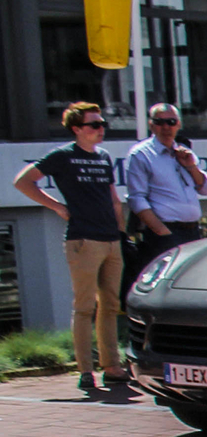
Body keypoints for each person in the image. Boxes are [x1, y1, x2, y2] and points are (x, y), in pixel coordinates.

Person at [12, 103, 129, 394]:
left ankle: (112, 366)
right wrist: (56, 207)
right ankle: (86, 369)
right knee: (84, 306)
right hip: (82, 239)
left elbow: (113, 198)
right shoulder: (63, 156)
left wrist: (121, 232)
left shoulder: (103, 157)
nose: (100, 129)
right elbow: (23, 182)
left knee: (111, 306)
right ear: (77, 129)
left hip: (110, 239)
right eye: (94, 124)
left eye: (102, 124)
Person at [121, 102, 207, 291]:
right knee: (168, 286)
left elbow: (205, 189)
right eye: (160, 122)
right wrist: (162, 232)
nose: (166, 127)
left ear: (178, 124)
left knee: (193, 283)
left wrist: (191, 166)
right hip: (165, 233)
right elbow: (136, 199)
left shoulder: (184, 152)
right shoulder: (141, 154)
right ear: (151, 125)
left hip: (193, 231)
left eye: (171, 122)